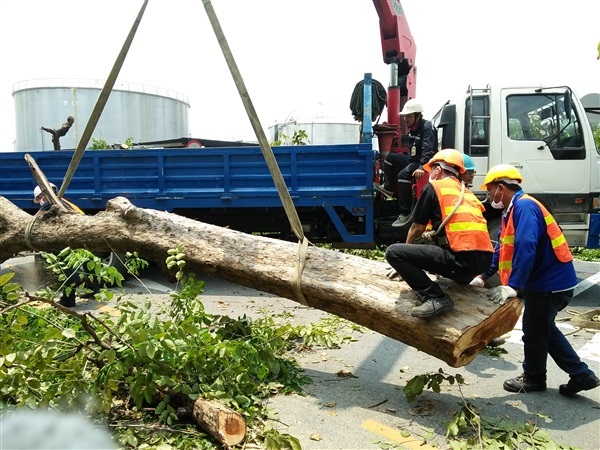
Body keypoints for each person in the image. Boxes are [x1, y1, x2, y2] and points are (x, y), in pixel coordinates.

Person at [474, 164, 600, 396]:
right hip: (549, 283)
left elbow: (526, 245)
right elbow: (502, 250)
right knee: (544, 330)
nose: (489, 196)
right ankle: (582, 375)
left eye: (490, 191)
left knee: (534, 332)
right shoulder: (512, 211)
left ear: (501, 188)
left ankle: (533, 379)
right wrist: (483, 276)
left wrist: (514, 286)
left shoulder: (524, 206)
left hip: (548, 284)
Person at [385, 149, 494, 318]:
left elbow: (416, 229)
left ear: (438, 169)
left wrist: (404, 260)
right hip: (483, 262)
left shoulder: (435, 186)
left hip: (460, 261)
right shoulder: (468, 194)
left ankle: (435, 297)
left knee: (393, 252)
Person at [373, 99, 438, 227]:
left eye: (408, 116)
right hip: (413, 159)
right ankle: (389, 188)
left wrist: (422, 167)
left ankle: (405, 212)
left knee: (403, 175)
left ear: (418, 116)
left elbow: (428, 150)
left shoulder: (427, 128)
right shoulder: (413, 129)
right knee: (389, 158)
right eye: (405, 116)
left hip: (423, 162)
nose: (405, 119)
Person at [34, 183, 95, 307]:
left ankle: (68, 299)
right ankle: (95, 290)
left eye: (40, 197)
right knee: (88, 262)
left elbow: (34, 221)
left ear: (43, 194)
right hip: (84, 232)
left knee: (69, 269)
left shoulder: (49, 202)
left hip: (72, 236)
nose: (40, 200)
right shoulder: (63, 201)